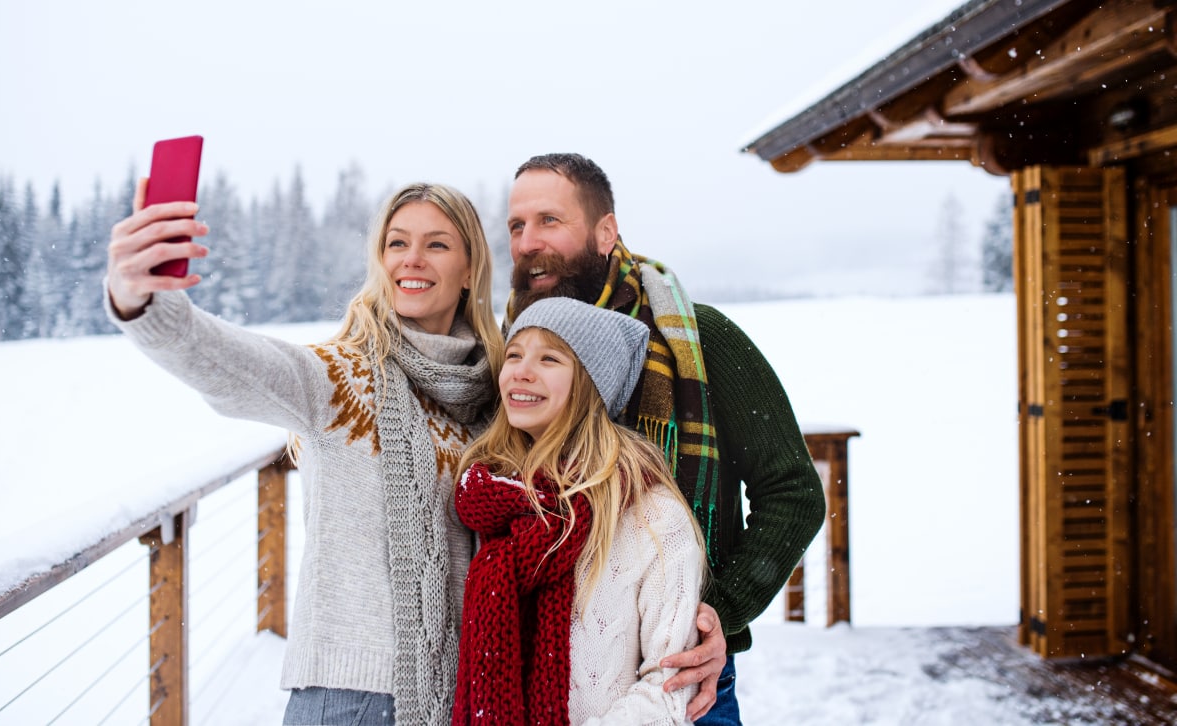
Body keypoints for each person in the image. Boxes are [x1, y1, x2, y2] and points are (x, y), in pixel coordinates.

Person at [105, 180, 505, 726]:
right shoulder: (341, 378)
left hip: (463, 697)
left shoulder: (492, 401)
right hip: (347, 699)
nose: (412, 259)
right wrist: (142, 300)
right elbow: (222, 361)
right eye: (396, 243)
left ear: (469, 270)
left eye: (436, 244)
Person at [505, 153, 828, 725]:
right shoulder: (511, 354)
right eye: (516, 226)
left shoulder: (700, 342)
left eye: (549, 221)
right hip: (543, 668)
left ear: (606, 231)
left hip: (680, 668)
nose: (529, 242)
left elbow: (793, 492)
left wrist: (716, 616)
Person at [453, 296, 707, 725]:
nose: (522, 370)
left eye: (550, 358)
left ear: (591, 383)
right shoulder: (487, 505)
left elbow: (667, 692)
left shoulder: (651, 515)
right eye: (514, 354)